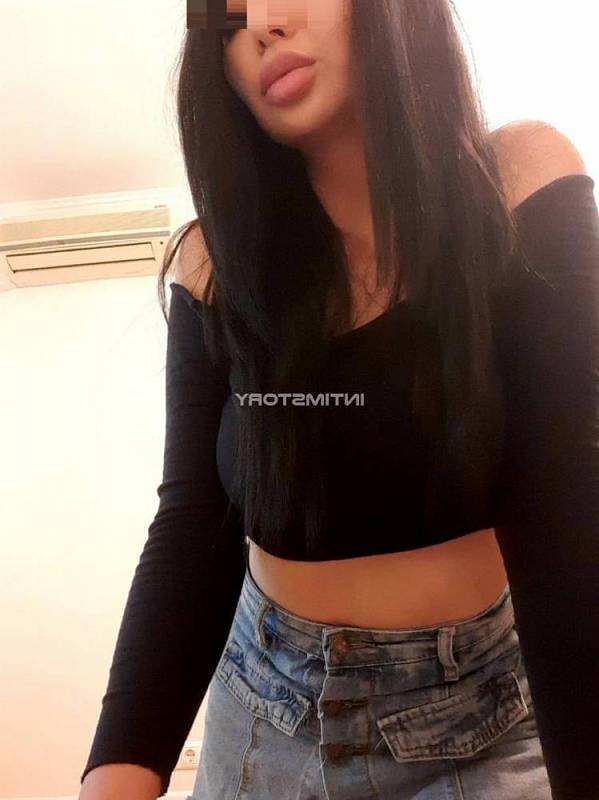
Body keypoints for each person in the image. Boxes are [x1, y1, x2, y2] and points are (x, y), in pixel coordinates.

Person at [80, 2, 599, 798]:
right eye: (227, 19)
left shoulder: (518, 183)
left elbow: (566, 513)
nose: (261, 26)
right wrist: (112, 778)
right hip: (262, 705)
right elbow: (192, 521)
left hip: (477, 721)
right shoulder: (214, 261)